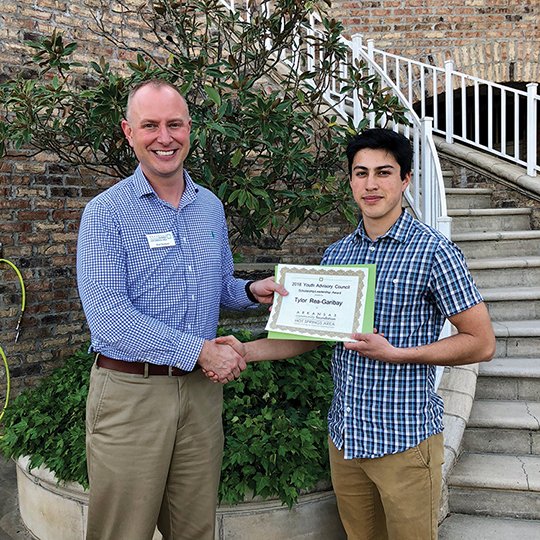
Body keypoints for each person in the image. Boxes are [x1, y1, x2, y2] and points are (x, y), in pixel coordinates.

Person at [217, 128, 496, 540]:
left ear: (405, 179)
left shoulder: (435, 252)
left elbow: (481, 342)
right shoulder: (338, 254)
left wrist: (398, 354)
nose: (371, 184)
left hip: (404, 440)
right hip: (346, 440)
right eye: (360, 172)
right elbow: (314, 335)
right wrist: (246, 350)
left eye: (384, 172)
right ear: (349, 180)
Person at [76, 78, 286, 540]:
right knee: (121, 532)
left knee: (194, 529)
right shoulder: (106, 213)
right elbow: (111, 319)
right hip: (132, 393)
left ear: (190, 128)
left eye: (174, 124)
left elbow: (216, 288)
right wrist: (200, 351)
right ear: (129, 133)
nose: (164, 137)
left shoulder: (209, 206)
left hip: (199, 395)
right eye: (150, 125)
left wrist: (252, 291)